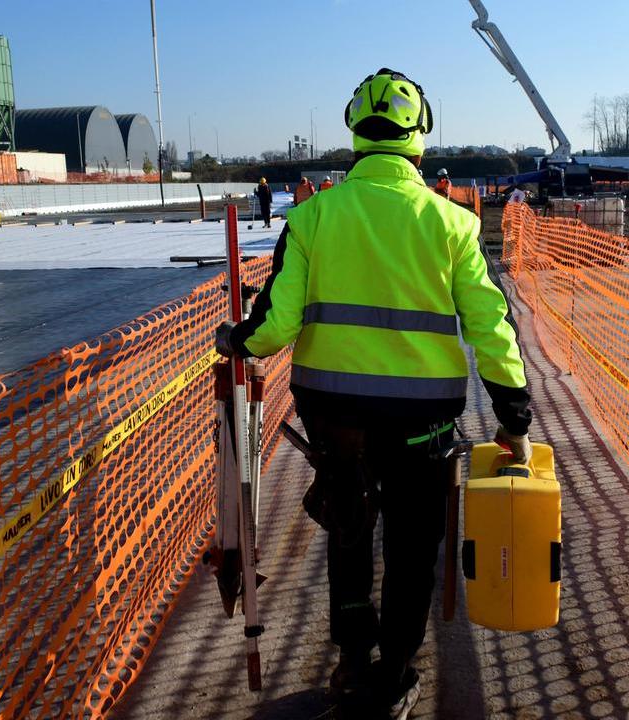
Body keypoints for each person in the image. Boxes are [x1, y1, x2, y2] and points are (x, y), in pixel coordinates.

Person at [215, 68, 531, 719]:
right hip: (423, 430)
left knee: (350, 534)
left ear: (355, 134)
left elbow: (277, 323)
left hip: (336, 424)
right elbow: (490, 328)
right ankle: (396, 672)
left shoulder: (311, 217)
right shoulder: (454, 224)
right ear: (420, 141)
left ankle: (353, 663)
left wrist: (237, 342)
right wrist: (513, 416)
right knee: (414, 552)